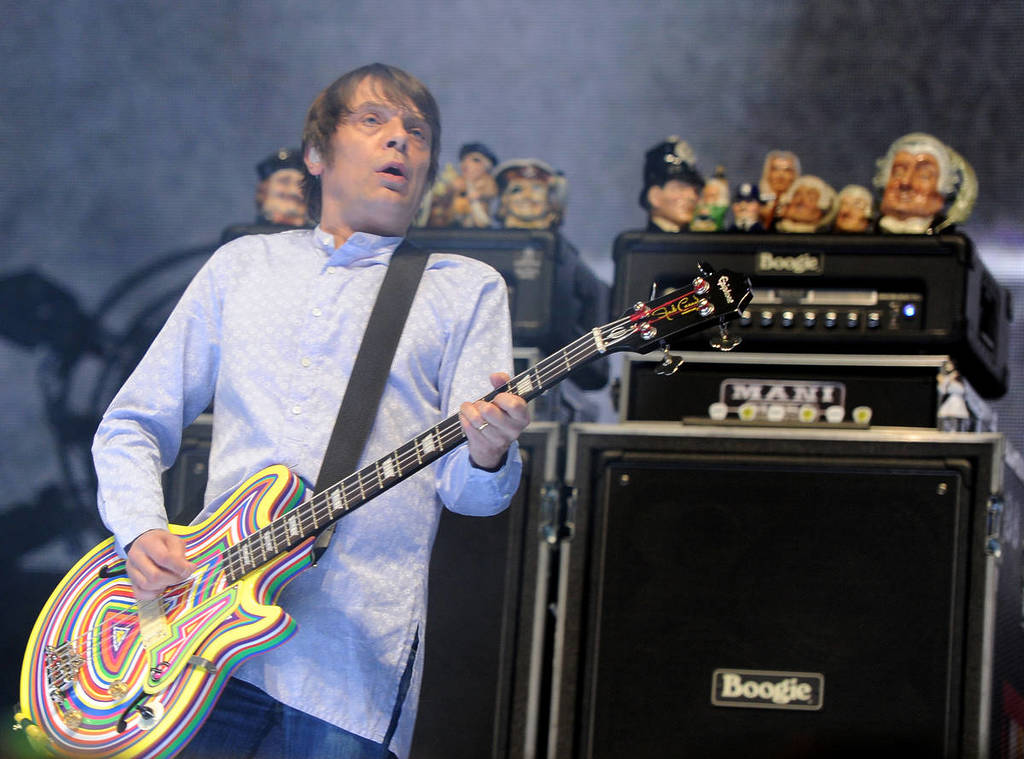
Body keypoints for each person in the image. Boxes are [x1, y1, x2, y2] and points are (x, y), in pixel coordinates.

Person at [92, 63, 529, 759]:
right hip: (198, 645)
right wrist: (141, 528)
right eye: (374, 120)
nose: (400, 140)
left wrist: (490, 451)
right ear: (317, 155)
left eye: (418, 132)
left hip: (349, 663)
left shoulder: (465, 290)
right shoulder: (242, 267)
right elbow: (132, 422)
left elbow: (471, 496)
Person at [639, 137, 705, 233]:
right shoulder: (637, 242)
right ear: (655, 196)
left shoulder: (704, 240)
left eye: (696, 191)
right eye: (680, 188)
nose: (692, 197)